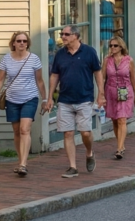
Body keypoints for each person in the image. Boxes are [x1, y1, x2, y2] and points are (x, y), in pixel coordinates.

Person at [43, 26, 104, 178]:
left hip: (84, 98)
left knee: (85, 132)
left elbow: (97, 72)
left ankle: (89, 152)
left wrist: (101, 94)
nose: (63, 37)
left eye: (66, 34)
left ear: (76, 36)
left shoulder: (89, 52)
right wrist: (50, 97)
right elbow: (54, 76)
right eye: (61, 34)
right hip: (65, 100)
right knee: (68, 133)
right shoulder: (60, 54)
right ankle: (72, 167)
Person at [0, 31, 45, 176]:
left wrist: (45, 99)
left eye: (25, 41)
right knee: (16, 131)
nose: (22, 43)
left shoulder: (34, 59)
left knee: (24, 130)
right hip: (12, 99)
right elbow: (0, 79)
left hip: (30, 98)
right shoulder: (6, 59)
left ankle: (23, 164)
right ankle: (21, 160)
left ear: (28, 44)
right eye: (19, 41)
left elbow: (39, 80)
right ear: (13, 43)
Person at [102, 36, 135, 158]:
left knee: (122, 119)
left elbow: (133, 78)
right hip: (111, 91)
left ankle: (119, 149)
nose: (112, 47)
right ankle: (121, 144)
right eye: (111, 45)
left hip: (125, 91)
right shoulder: (107, 60)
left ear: (121, 47)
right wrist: (101, 94)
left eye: (115, 45)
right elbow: (102, 78)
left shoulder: (129, 60)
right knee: (114, 119)